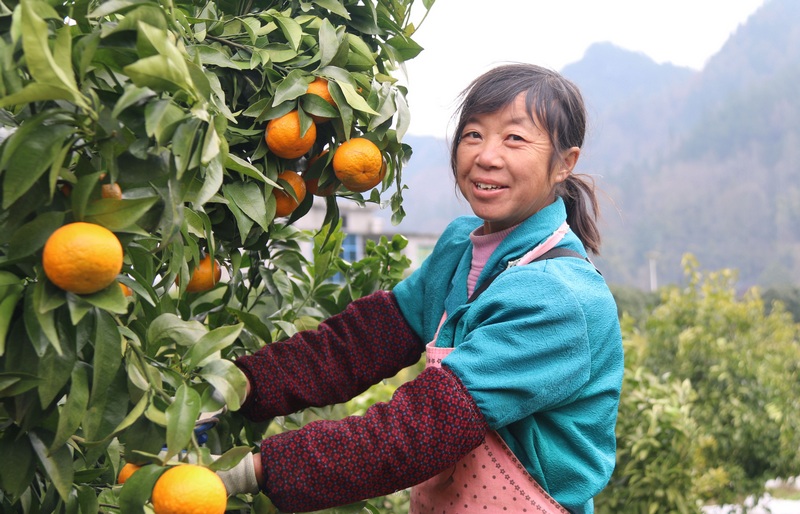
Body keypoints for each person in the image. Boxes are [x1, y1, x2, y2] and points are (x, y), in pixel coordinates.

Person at [218, 63, 624, 514]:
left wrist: (256, 470)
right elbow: (362, 343)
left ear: (564, 163)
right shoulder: (459, 248)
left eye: (514, 138)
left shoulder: (559, 298)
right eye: (473, 134)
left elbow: (422, 429)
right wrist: (238, 383)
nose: (486, 156)